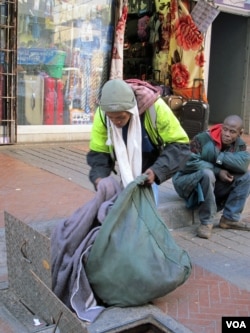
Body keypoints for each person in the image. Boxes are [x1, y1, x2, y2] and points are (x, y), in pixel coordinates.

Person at [87, 78, 190, 201]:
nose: (116, 122)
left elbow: (180, 144)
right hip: (125, 163)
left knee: (147, 209)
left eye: (121, 117)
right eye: (112, 118)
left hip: (150, 161)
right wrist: (99, 178)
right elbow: (99, 151)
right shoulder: (103, 114)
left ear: (131, 109)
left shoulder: (156, 107)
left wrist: (156, 171)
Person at [172, 115, 250, 239]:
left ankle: (229, 219)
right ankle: (206, 222)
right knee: (207, 173)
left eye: (232, 132)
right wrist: (218, 171)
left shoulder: (240, 145)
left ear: (240, 133)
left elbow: (243, 165)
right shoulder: (202, 139)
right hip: (187, 182)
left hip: (210, 183)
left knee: (246, 176)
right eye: (225, 129)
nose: (227, 134)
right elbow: (187, 163)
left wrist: (218, 157)